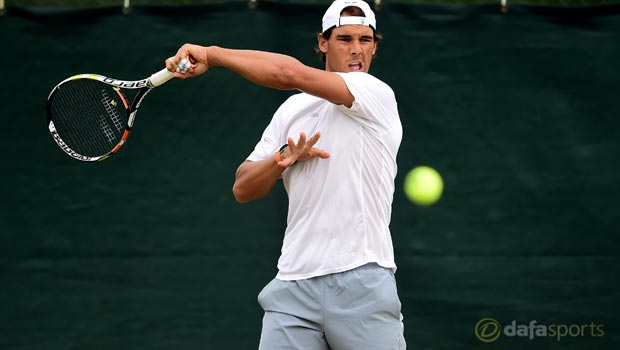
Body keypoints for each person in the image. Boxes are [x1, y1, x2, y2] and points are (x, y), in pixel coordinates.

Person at [166, 0, 406, 348]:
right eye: (344, 39)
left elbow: (288, 73)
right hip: (293, 288)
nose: (357, 50)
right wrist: (282, 158)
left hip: (362, 281)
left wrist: (211, 54)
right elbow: (243, 188)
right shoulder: (293, 109)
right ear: (323, 43)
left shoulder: (375, 93)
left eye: (365, 40)